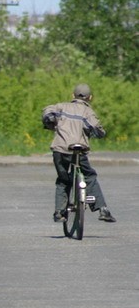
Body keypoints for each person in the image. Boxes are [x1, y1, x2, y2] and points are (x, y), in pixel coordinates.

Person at [42, 83, 116, 223]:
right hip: (78, 150)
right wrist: (99, 133)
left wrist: (51, 124)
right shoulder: (88, 112)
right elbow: (97, 129)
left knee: (63, 180)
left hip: (60, 150)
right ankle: (103, 210)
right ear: (90, 98)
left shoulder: (61, 106)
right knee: (89, 175)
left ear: (72, 96)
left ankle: (59, 212)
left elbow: (47, 112)